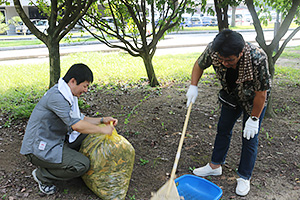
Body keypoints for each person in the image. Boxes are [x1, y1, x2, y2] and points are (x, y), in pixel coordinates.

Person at [186, 29, 271, 196]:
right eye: (222, 60)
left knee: (249, 137)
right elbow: (199, 64)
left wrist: (254, 119)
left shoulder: (257, 58)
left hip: (253, 100)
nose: (225, 63)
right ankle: (215, 166)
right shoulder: (214, 50)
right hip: (230, 95)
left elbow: (262, 93)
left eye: (230, 60)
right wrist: (193, 85)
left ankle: (244, 176)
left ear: (240, 52)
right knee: (223, 129)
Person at [20, 63, 118, 195]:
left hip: (56, 139)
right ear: (73, 81)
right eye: (85, 86)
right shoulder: (57, 97)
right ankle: (42, 175)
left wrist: (101, 121)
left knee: (90, 133)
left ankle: (66, 162)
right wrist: (102, 130)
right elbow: (76, 126)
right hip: (38, 148)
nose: (86, 90)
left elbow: (80, 119)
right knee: (82, 165)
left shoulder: (68, 94)